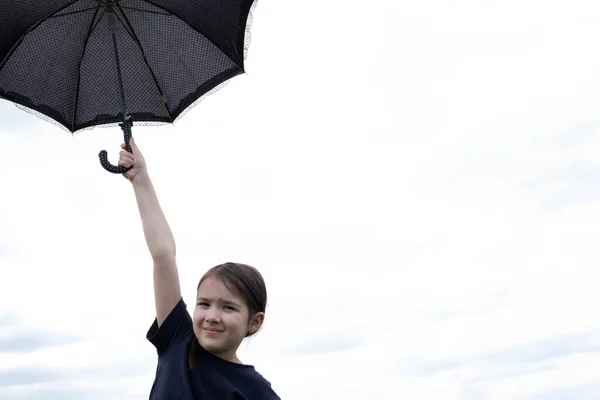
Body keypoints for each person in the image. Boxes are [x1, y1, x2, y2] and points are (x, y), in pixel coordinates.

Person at [118, 138, 280, 400]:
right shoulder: (178, 339)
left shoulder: (256, 391)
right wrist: (141, 179)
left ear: (255, 322)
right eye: (204, 303)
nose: (212, 316)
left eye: (228, 307)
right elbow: (163, 255)